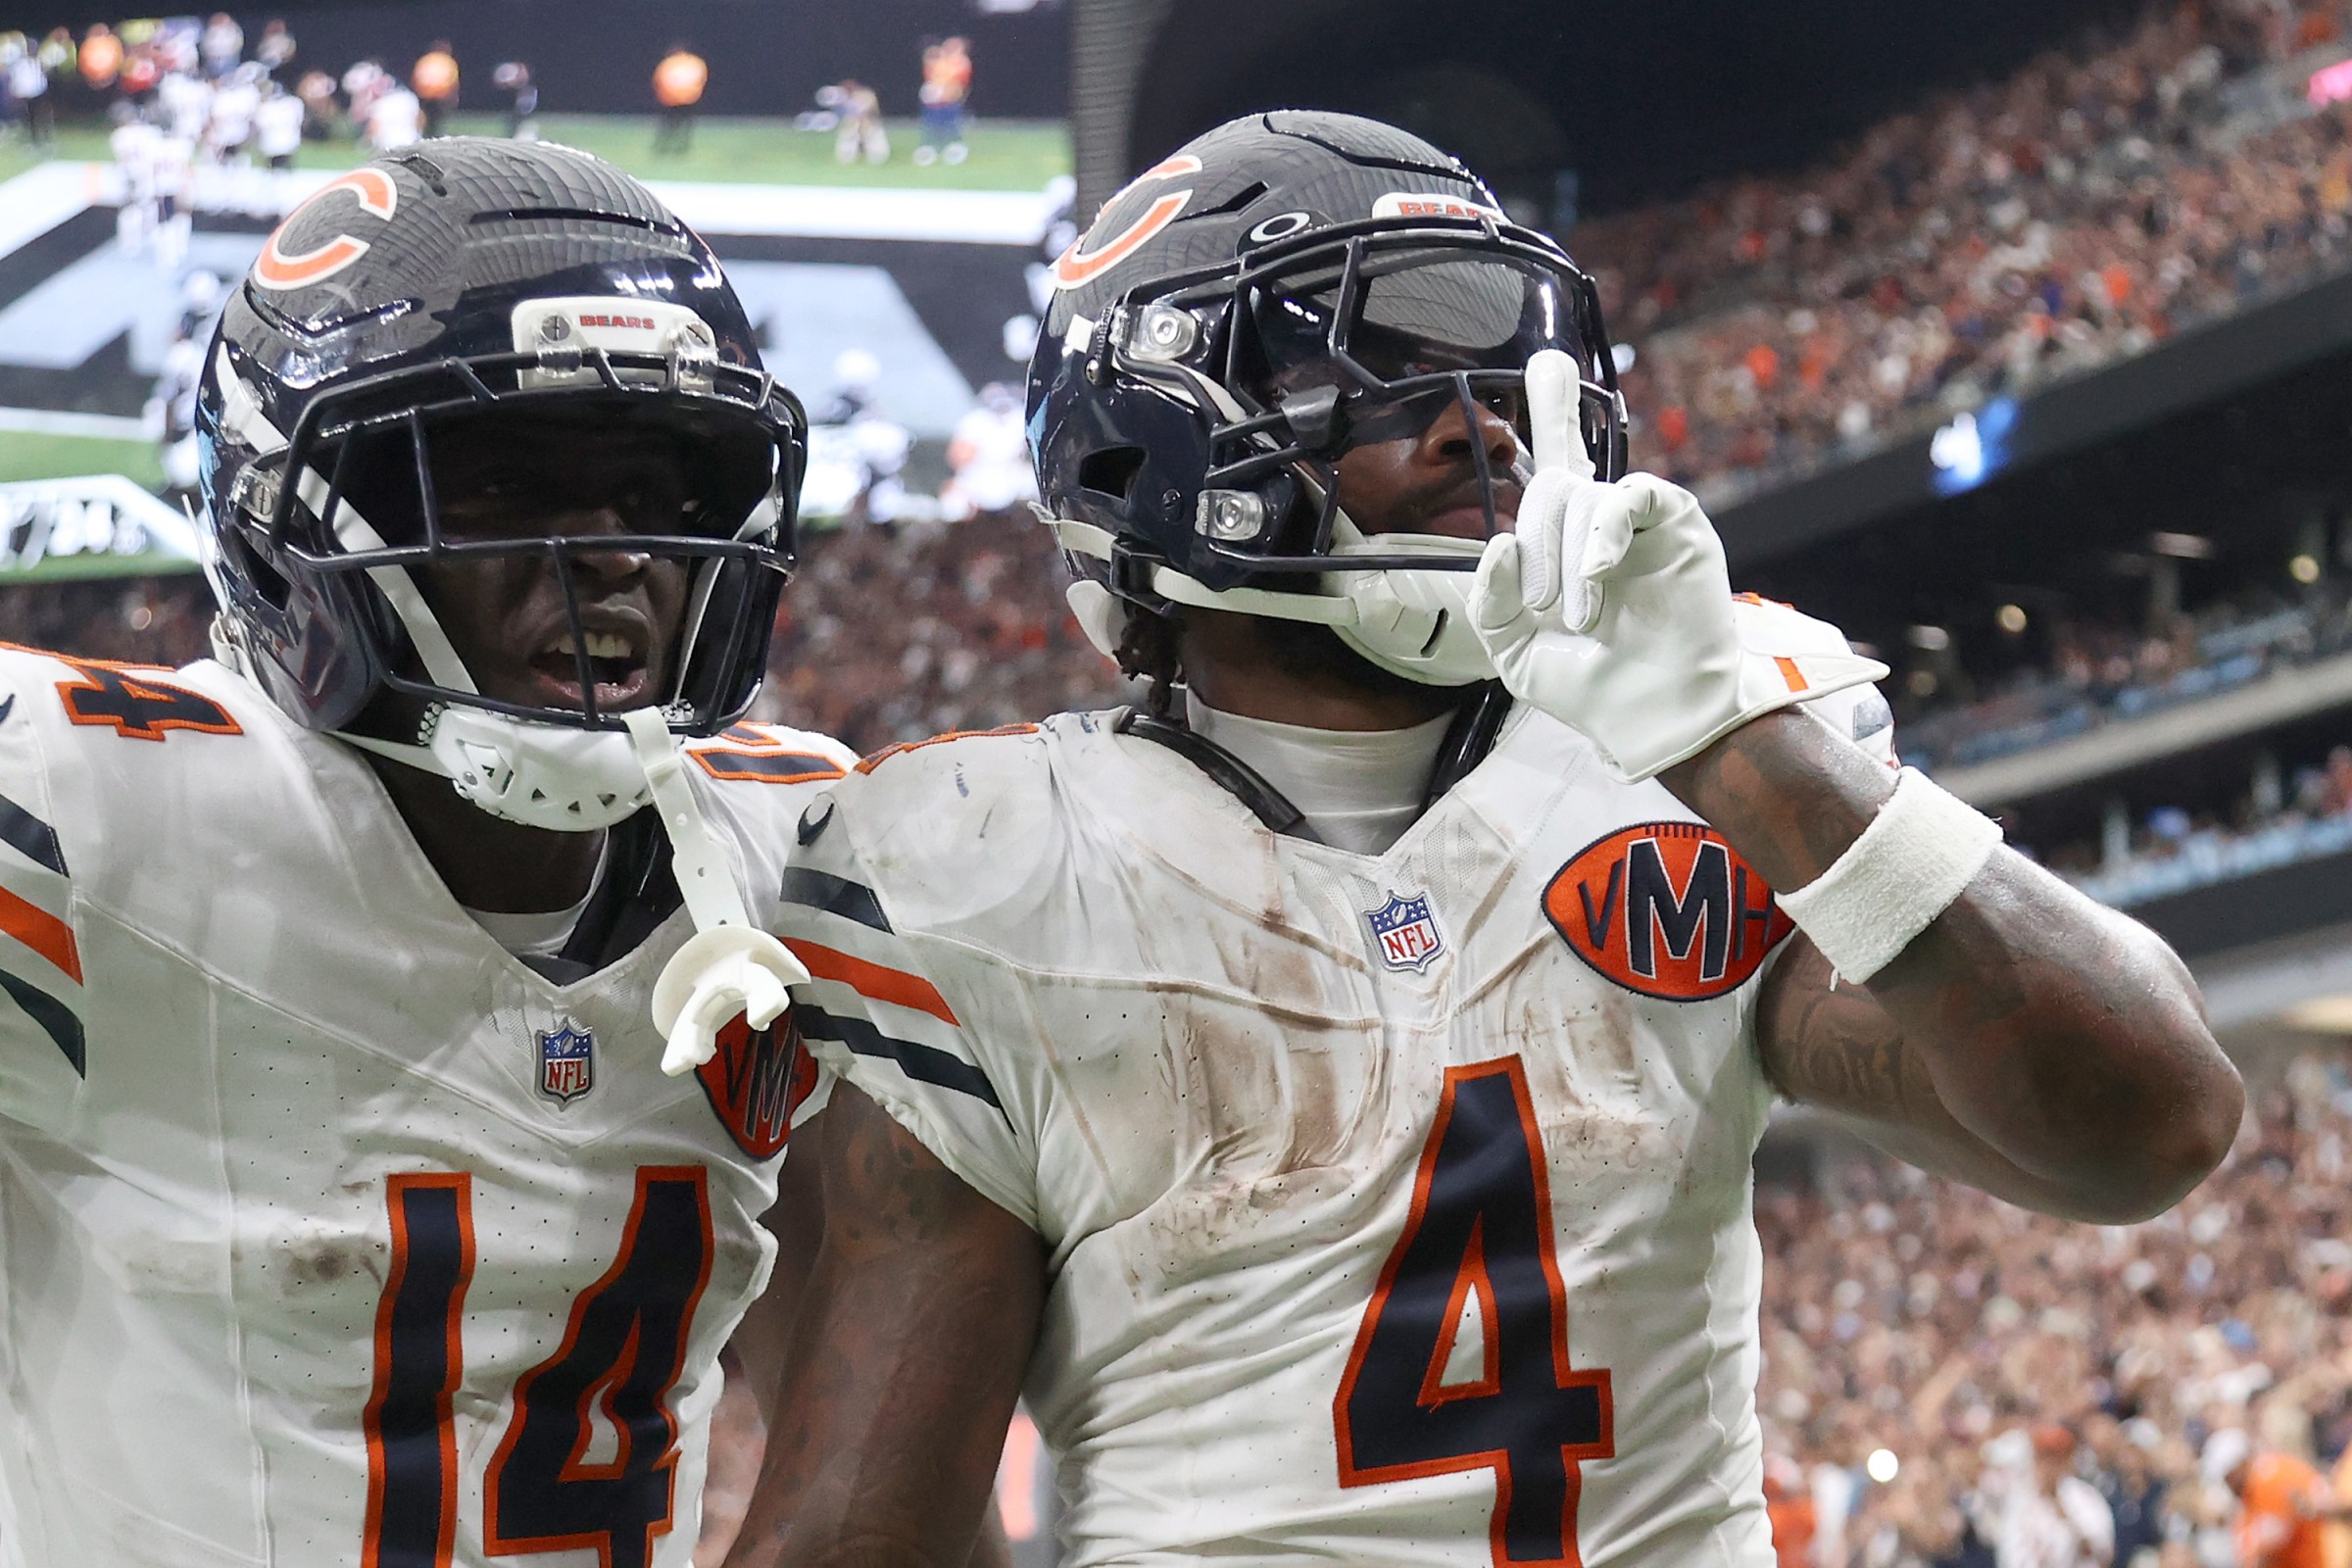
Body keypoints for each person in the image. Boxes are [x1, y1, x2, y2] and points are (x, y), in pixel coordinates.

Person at [721, 111, 2241, 1567]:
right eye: (1379, 373)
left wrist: (1736, 740)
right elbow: (868, 1532)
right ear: (1148, 441)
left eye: (1496, 376)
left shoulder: (1700, 759)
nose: (1480, 427)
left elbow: (2150, 1126)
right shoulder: (988, 865)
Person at [0, 136, 855, 1565]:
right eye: (503, 484)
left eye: (655, 488)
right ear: (288, 518)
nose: (614, 554)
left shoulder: (802, 850)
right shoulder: (102, 809)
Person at [913, 35, 970, 167]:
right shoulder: (939, 60)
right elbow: (930, 73)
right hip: (934, 101)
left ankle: (954, 148)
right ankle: (930, 148)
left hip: (950, 100)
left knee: (950, 125)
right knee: (931, 124)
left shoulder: (961, 62)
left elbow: (957, 81)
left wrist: (946, 93)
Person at [654, 42, 707, 155]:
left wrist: (663, 95)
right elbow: (700, 79)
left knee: (670, 125)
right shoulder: (694, 62)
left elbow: (659, 80)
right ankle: (680, 147)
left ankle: (664, 147)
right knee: (684, 125)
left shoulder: (669, 63)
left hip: (672, 99)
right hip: (689, 98)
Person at [834, 77, 886, 165]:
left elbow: (872, 112)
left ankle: (866, 148)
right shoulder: (842, 98)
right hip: (852, 126)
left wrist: (864, 124)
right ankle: (856, 149)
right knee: (845, 157)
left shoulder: (867, 95)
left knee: (878, 157)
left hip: (870, 125)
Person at [412, 39, 458, 139]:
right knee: (437, 118)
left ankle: (424, 135)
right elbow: (452, 80)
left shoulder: (425, 60)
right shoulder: (447, 61)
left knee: (425, 118)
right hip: (440, 95)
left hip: (424, 94)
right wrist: (452, 96)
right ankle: (435, 136)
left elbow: (416, 77)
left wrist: (417, 92)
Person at [493, 59, 538, 139]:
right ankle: (515, 132)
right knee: (512, 118)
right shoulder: (507, 70)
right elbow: (500, 83)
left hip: (521, 97)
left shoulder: (525, 87)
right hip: (512, 99)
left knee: (522, 114)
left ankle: (524, 130)